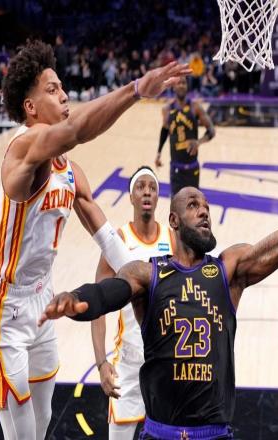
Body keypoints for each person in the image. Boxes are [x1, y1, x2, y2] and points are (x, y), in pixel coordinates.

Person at [39, 143, 278, 439]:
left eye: (207, 207)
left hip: (213, 434)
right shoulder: (149, 274)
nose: (204, 212)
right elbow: (109, 293)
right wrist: (78, 299)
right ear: (173, 220)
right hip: (160, 432)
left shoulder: (228, 270)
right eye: (193, 205)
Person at [0, 40, 190, 440]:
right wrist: (136, 90)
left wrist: (152, 284)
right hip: (6, 309)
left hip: (42, 299)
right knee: (22, 434)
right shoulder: (23, 150)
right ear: (30, 107)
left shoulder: (70, 171)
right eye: (52, 89)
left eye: (62, 86)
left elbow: (108, 239)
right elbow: (75, 131)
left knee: (43, 419)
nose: (64, 95)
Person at [91, 166, 176, 439]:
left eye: (152, 187)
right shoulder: (119, 241)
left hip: (165, 361)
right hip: (128, 363)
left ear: (158, 196)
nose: (147, 192)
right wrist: (101, 363)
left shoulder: (172, 239)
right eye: (141, 187)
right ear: (131, 196)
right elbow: (97, 306)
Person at [155, 77, 215, 196]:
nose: (181, 85)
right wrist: (159, 153)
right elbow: (165, 130)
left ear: (187, 86)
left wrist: (199, 142)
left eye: (184, 83)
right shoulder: (167, 109)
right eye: (178, 83)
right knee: (176, 204)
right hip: (176, 168)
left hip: (192, 167)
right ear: (173, 87)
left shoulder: (195, 107)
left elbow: (211, 131)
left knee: (193, 204)